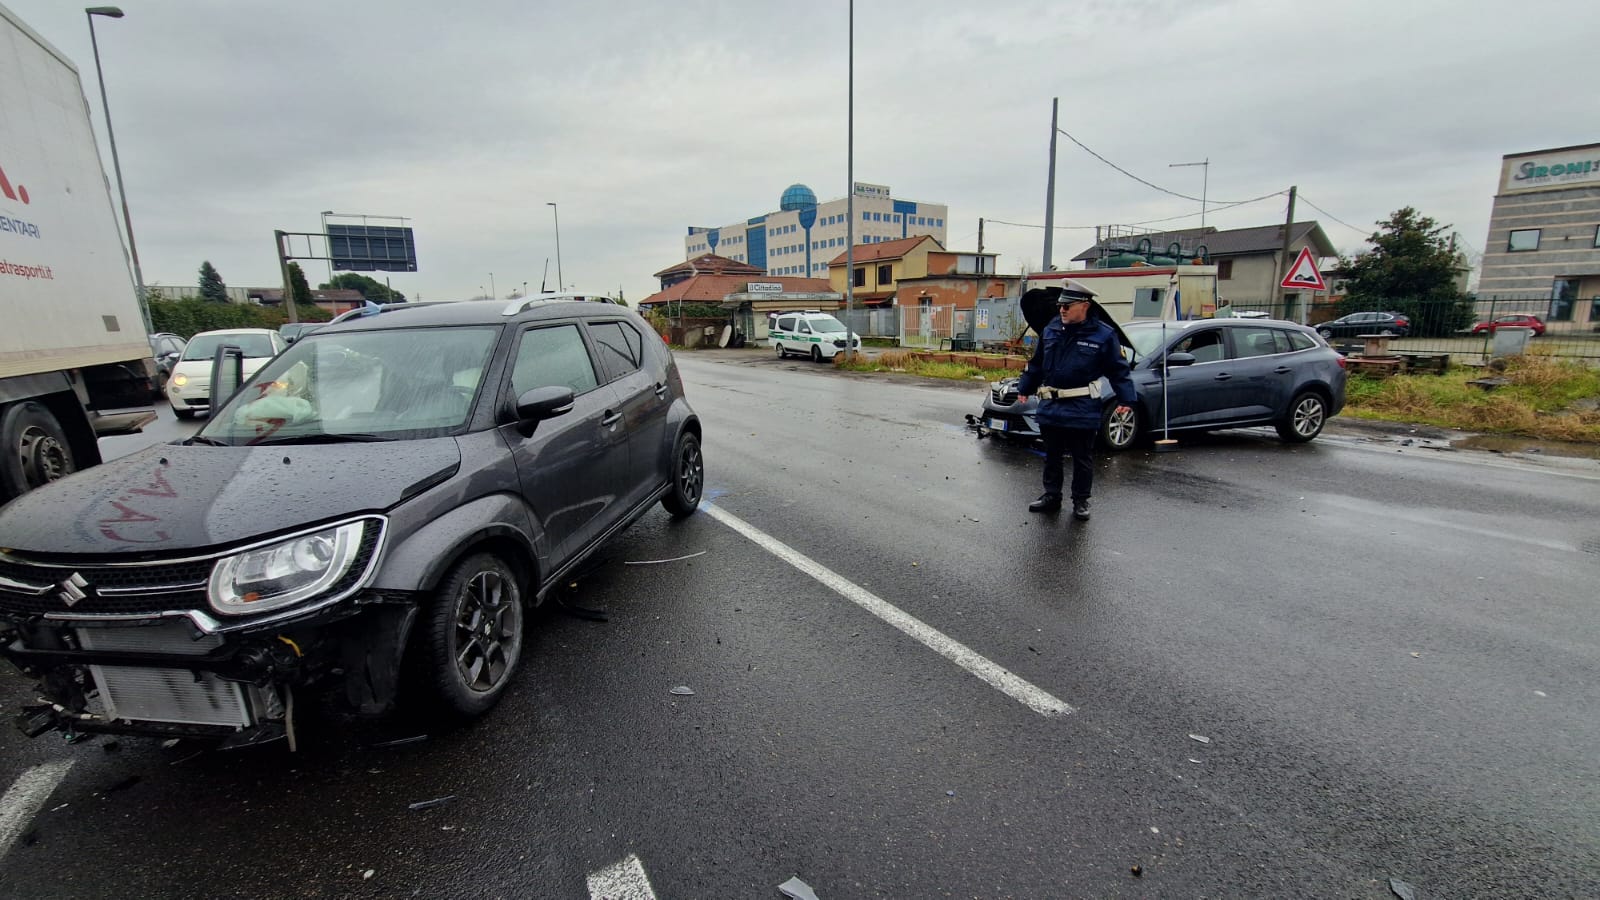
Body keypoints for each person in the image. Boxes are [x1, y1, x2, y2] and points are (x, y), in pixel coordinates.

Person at [1014, 280, 1136, 520]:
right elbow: (1037, 363)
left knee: (1082, 458)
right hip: (1052, 405)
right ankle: (1051, 495)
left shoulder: (1103, 335)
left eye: (1068, 306)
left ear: (1085, 305)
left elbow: (1118, 371)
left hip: (1082, 407)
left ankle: (1081, 501)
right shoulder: (1051, 329)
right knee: (1052, 456)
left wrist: (1126, 400)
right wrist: (1025, 387)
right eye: (1061, 305)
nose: (1062, 310)